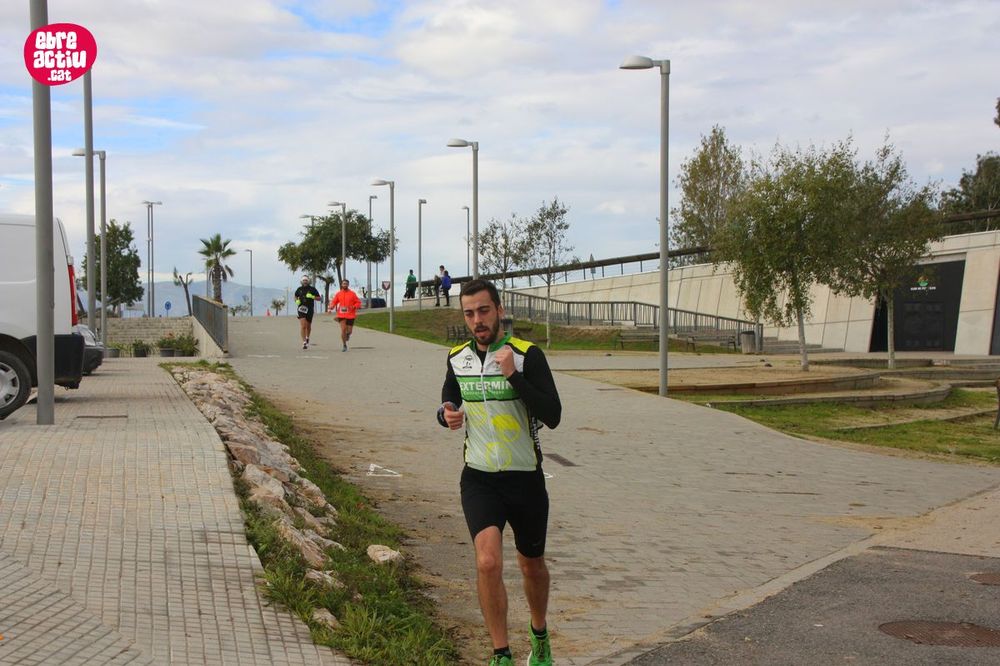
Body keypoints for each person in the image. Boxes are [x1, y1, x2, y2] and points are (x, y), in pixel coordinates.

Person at [436, 279, 561, 666]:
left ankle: (539, 634)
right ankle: (501, 653)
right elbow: (449, 395)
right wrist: (445, 413)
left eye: (484, 311)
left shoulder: (526, 355)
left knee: (531, 565)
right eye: (469, 313)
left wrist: (514, 377)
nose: (477, 320)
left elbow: (553, 414)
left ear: (499, 311)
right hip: (479, 477)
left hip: (525, 479)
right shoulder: (457, 357)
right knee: (487, 562)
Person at [328, 279, 362, 351]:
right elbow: (334, 302)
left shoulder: (352, 294)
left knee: (349, 331)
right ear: (341, 285)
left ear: (348, 285)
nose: (345, 285)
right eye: (343, 284)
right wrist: (331, 307)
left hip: (350, 315)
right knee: (343, 329)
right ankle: (344, 345)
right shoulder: (339, 294)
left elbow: (358, 302)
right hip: (341, 315)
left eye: (346, 284)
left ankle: (348, 334)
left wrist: (354, 306)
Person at [293, 276, 321, 349]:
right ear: (301, 281)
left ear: (308, 281)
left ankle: (307, 337)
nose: (305, 281)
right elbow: (295, 296)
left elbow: (319, 298)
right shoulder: (299, 289)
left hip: (310, 309)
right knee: (303, 326)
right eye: (303, 280)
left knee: (308, 326)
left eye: (306, 280)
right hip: (301, 308)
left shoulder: (312, 289)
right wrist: (296, 300)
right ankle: (304, 342)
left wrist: (312, 297)